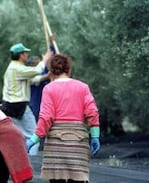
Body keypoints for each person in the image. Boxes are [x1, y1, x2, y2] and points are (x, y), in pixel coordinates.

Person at [27, 54, 100, 183]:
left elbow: (46, 117)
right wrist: (95, 136)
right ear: (69, 69)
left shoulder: (49, 89)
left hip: (56, 143)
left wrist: (34, 138)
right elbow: (93, 112)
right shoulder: (83, 87)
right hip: (78, 141)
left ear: (51, 71)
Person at [1, 43, 51, 155]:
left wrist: (46, 77)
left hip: (9, 106)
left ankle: (21, 161)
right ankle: (32, 162)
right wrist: (45, 60)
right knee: (34, 134)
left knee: (20, 135)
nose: (27, 55)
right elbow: (36, 71)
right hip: (19, 106)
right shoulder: (17, 68)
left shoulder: (13, 68)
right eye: (25, 53)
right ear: (21, 55)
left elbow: (31, 80)